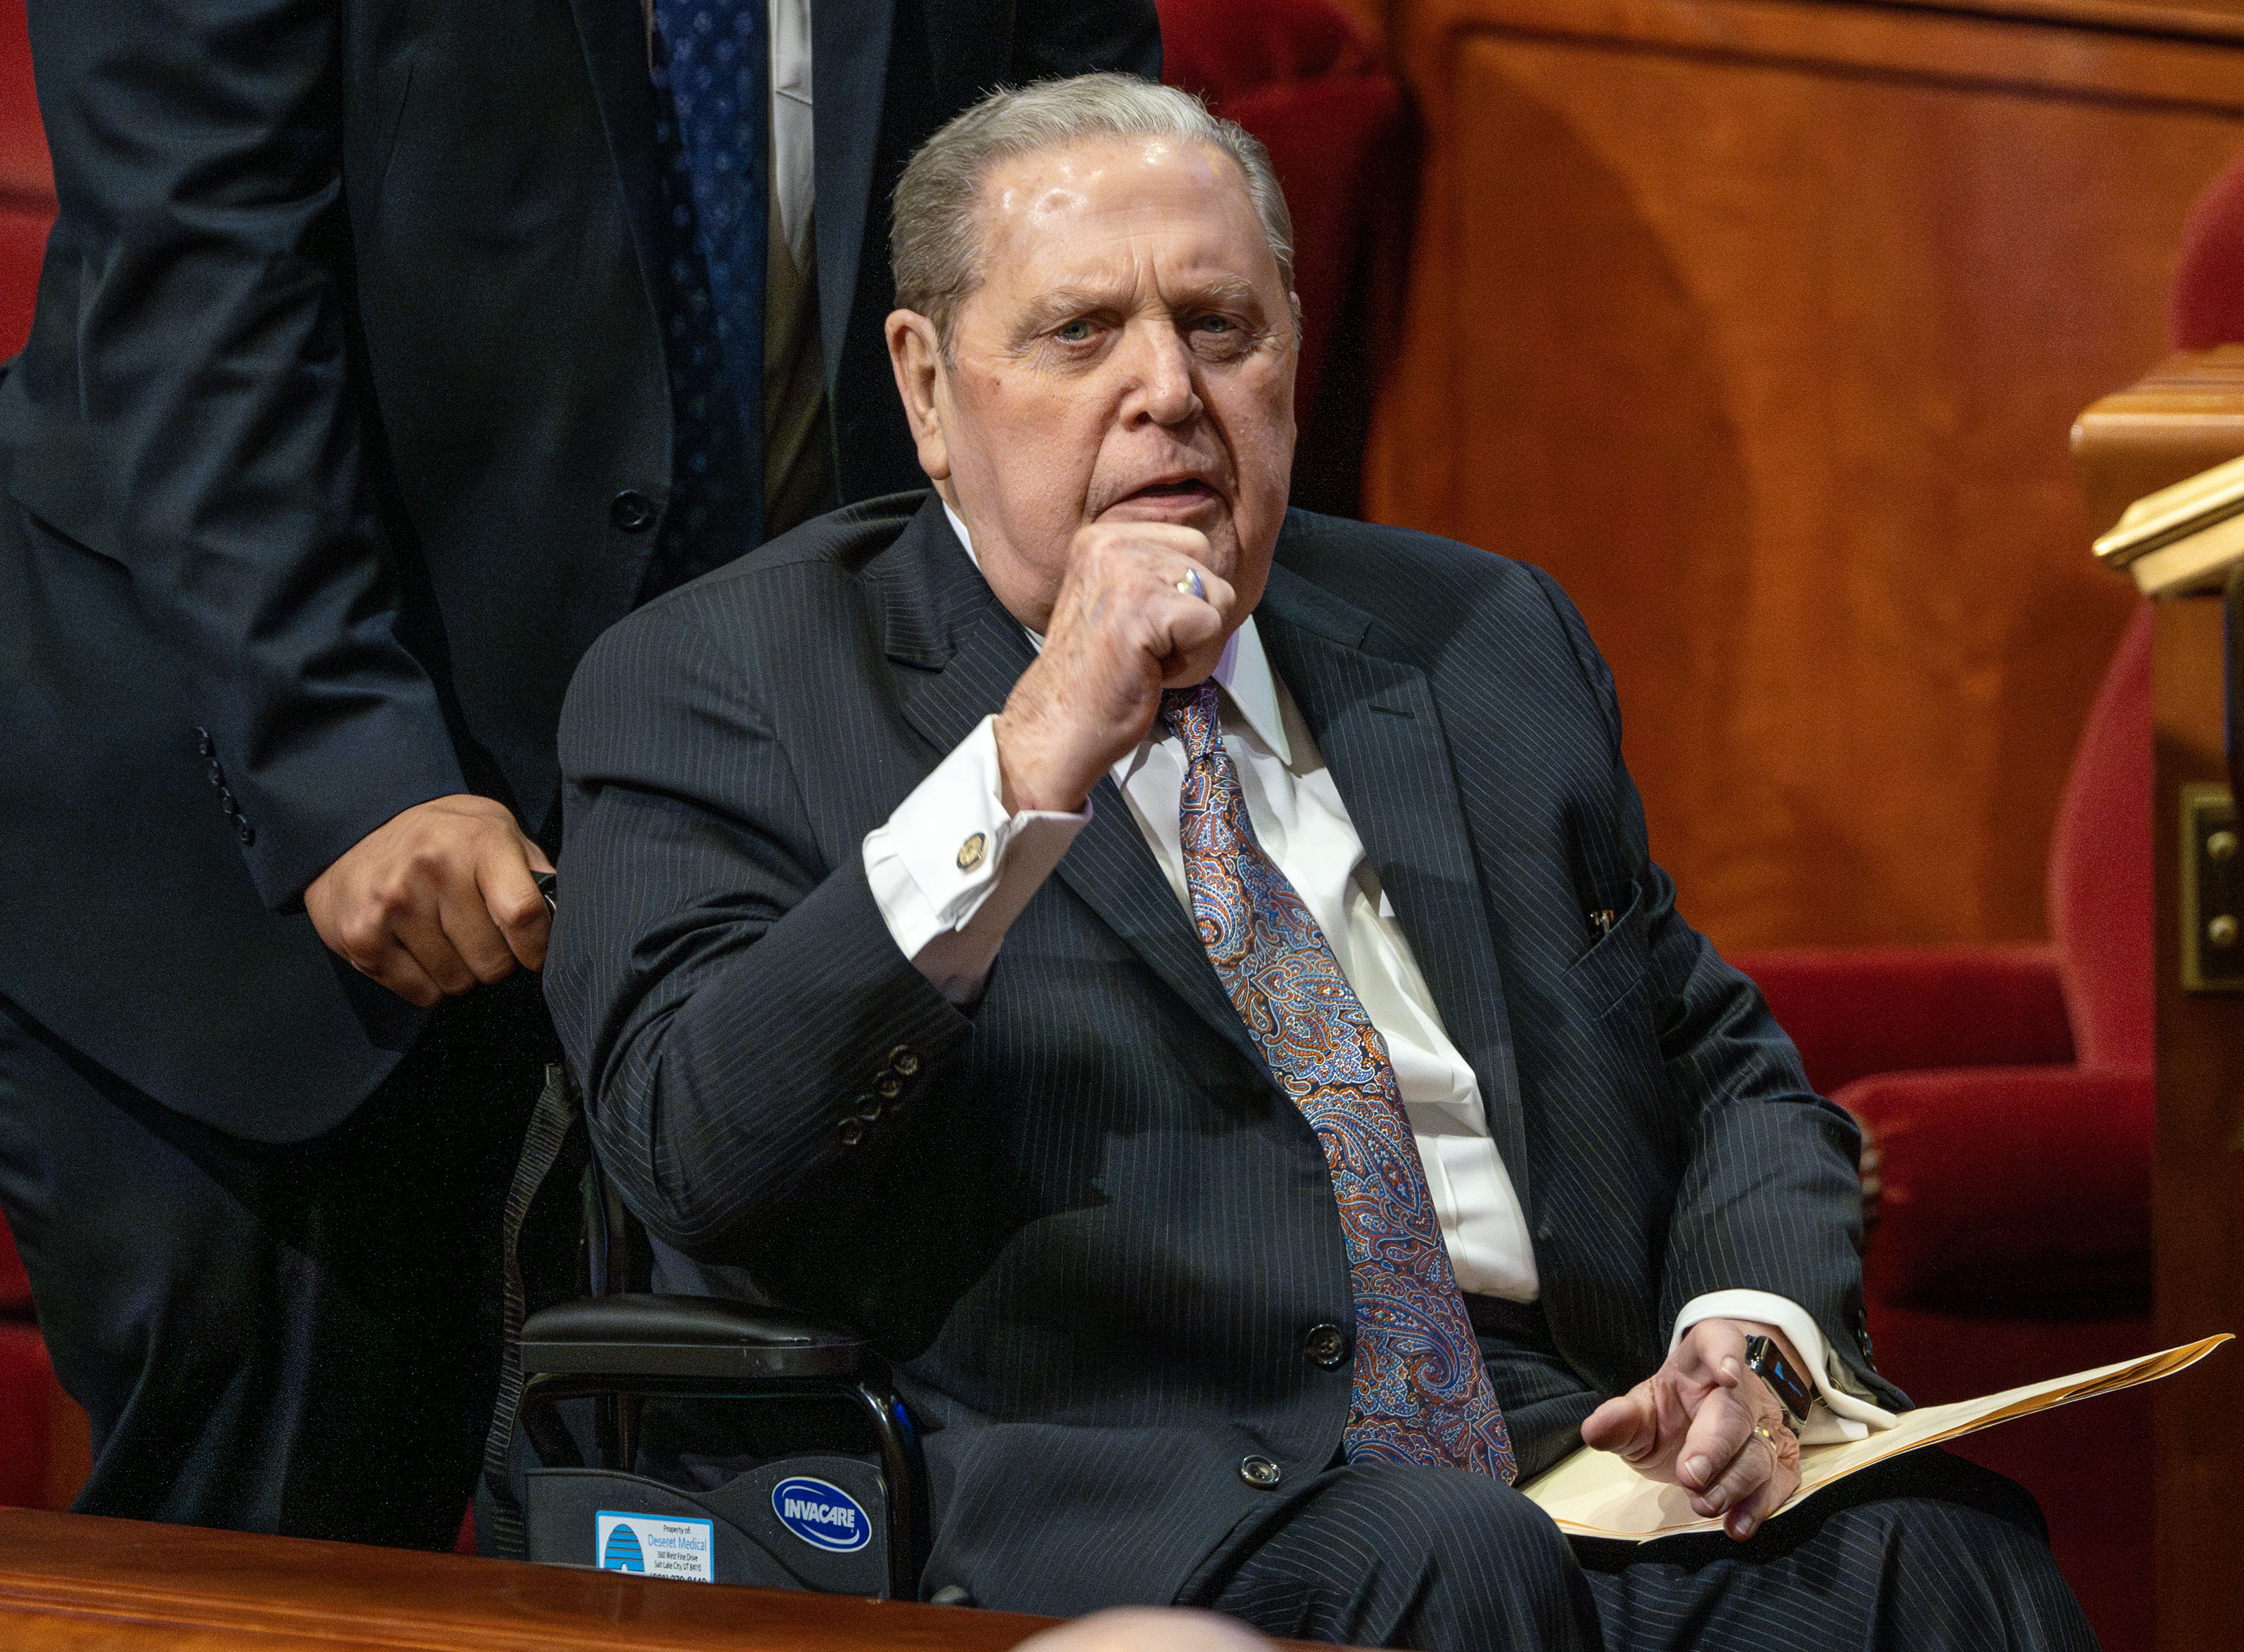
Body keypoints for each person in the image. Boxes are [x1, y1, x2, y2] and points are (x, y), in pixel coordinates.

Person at [545, 75, 2097, 1648]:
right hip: (1093, 1477)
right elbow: (700, 1146)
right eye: (1082, 334)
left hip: (1561, 1448)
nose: (1168, 390)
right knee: (1444, 1559)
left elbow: (1719, 1068)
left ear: (1291, 352)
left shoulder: (1479, 639)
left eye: (1221, 327)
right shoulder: (721, 678)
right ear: (928, 388)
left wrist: (1746, 1328)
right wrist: (1030, 759)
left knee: (1938, 1553)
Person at [0, 0, 1159, 1547]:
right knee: (288, 1547)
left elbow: (1097, 189)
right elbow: (198, 289)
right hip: (268, 811)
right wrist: (348, 764)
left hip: (783, 857)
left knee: (760, 1550)